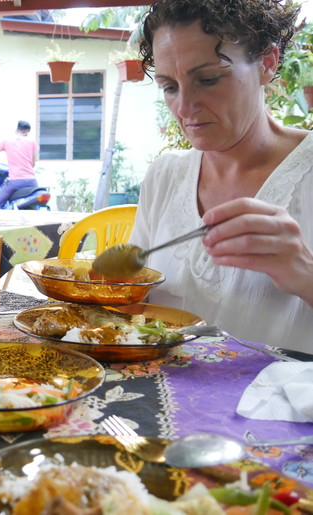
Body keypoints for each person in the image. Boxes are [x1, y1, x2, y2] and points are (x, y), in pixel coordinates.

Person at [129, 0, 313, 352]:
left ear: (267, 64)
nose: (184, 108)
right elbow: (135, 300)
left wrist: (305, 274)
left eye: (208, 79)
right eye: (169, 87)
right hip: (164, 402)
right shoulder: (165, 176)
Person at [0, 120, 39, 209]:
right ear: (26, 131)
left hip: (15, 181)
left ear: (17, 130)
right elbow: (33, 164)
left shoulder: (6, 141)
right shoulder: (32, 142)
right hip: (32, 181)